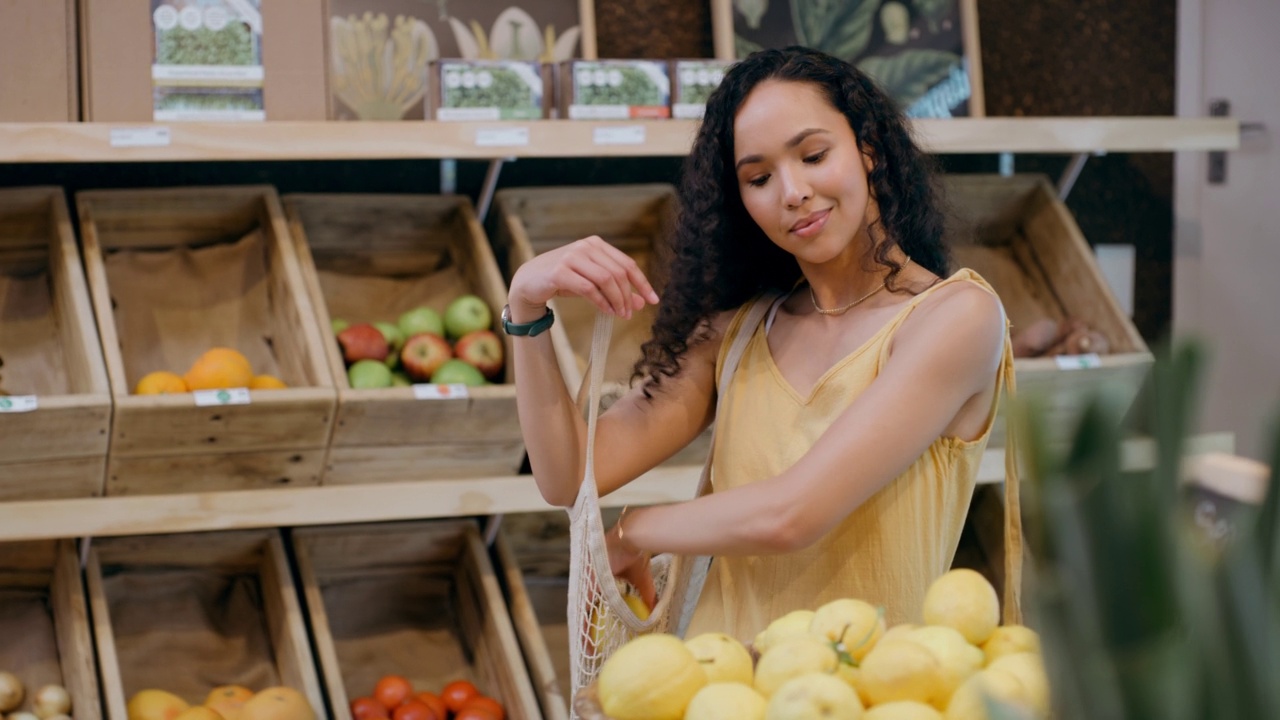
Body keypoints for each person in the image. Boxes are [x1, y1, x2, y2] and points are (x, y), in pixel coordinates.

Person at [505, 46, 1016, 642]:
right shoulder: (739, 332)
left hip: (866, 696)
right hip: (722, 692)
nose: (792, 191)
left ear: (868, 150)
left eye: (814, 154)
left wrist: (635, 531)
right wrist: (525, 308)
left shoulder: (955, 317)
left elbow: (793, 516)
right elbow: (568, 478)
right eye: (759, 177)